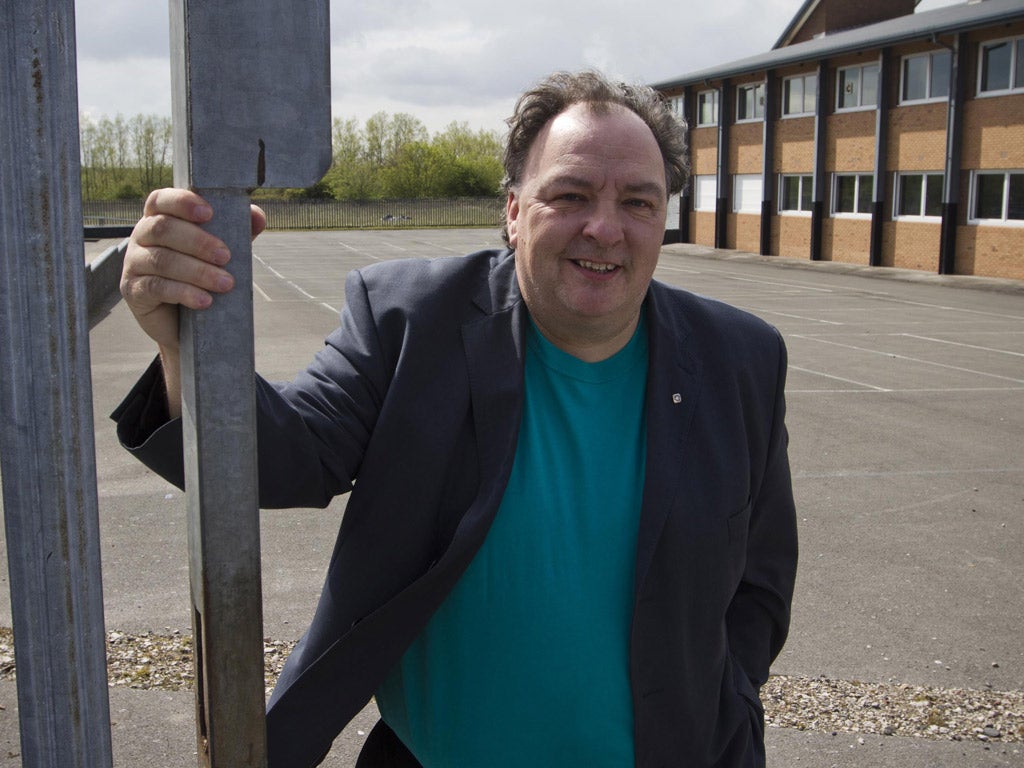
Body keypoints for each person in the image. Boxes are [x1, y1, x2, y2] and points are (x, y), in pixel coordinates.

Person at [115, 70, 798, 768]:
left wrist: (731, 692)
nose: (605, 227)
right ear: (513, 211)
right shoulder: (411, 321)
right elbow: (288, 454)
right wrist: (183, 346)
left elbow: (763, 581)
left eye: (638, 202)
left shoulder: (740, 359)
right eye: (570, 195)